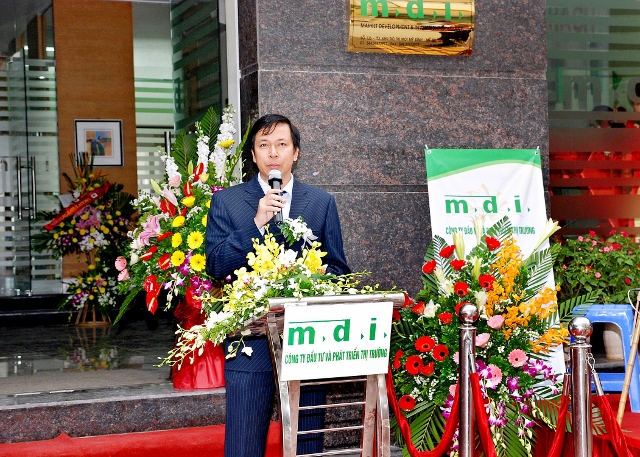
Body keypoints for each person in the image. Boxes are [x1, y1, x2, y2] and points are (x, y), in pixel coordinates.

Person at [205, 113, 351, 457]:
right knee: (243, 443)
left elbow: (338, 270)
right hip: (249, 338)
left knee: (307, 442)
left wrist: (314, 279)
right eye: (264, 145)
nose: (273, 153)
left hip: (307, 339)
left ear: (295, 152)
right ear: (253, 155)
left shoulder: (320, 202)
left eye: (282, 144)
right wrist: (256, 223)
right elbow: (216, 265)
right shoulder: (227, 202)